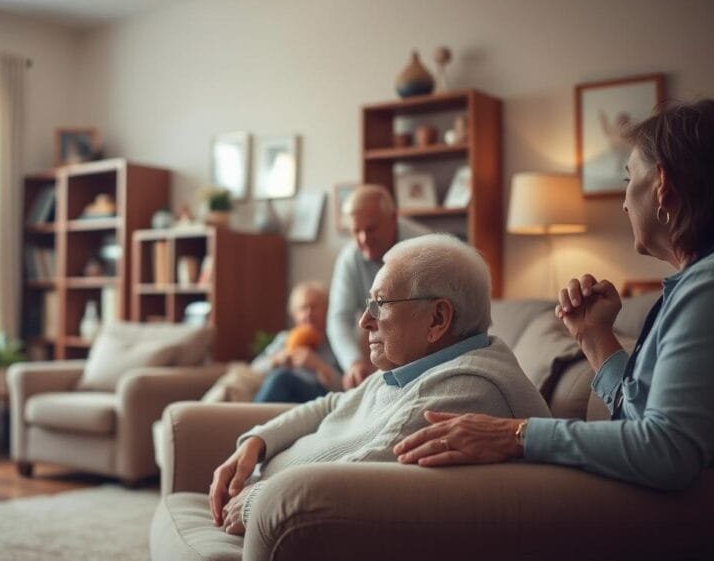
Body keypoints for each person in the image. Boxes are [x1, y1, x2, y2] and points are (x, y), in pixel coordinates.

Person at [393, 99, 714, 491]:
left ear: (662, 185)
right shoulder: (691, 287)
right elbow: (642, 421)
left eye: (629, 179)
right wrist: (593, 337)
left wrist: (514, 434)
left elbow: (667, 450)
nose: (625, 201)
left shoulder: (704, 289)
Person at [209, 234, 549, 535]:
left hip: (289, 523)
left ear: (437, 319)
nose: (364, 320)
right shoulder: (416, 366)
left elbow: (361, 475)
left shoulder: (467, 389)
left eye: (380, 304)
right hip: (276, 503)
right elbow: (333, 403)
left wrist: (260, 500)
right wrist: (258, 442)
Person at [328, 185, 427, 390]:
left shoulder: (423, 248)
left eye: (371, 229)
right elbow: (339, 318)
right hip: (376, 362)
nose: (364, 239)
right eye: (356, 231)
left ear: (393, 219)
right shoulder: (349, 259)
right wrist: (353, 363)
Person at [251, 281, 342, 403]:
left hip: (318, 396)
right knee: (280, 378)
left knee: (282, 378)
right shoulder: (285, 338)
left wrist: (319, 366)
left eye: (314, 307)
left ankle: (250, 419)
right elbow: (253, 369)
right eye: (303, 308)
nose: (308, 313)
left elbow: (345, 386)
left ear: (327, 310)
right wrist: (276, 360)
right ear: (294, 314)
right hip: (283, 397)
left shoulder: (335, 340)